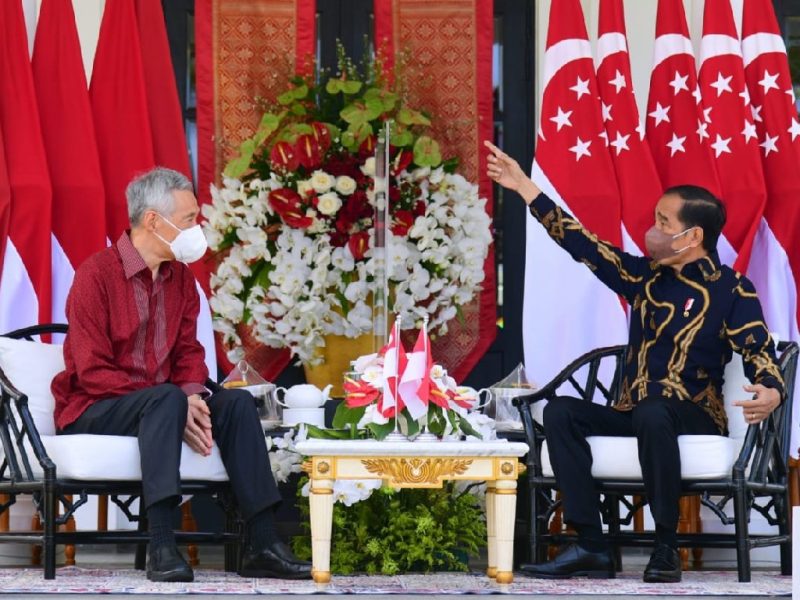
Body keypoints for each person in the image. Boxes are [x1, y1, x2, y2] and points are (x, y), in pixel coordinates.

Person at [484, 141, 784, 583]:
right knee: (562, 412)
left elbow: (758, 347)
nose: (652, 229)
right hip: (637, 411)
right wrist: (526, 188)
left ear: (693, 236)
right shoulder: (644, 277)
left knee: (654, 411)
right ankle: (591, 544)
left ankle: (666, 547)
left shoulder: (731, 289)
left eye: (663, 222)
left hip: (694, 413)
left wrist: (771, 388)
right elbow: (584, 245)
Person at [52, 167, 312, 582]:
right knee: (166, 397)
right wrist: (173, 399)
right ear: (154, 221)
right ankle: (161, 545)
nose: (196, 228)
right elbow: (92, 370)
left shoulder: (181, 280)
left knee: (237, 404)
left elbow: (190, 353)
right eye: (189, 219)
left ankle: (262, 543)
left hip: (164, 405)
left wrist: (191, 396)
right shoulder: (95, 275)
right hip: (97, 405)